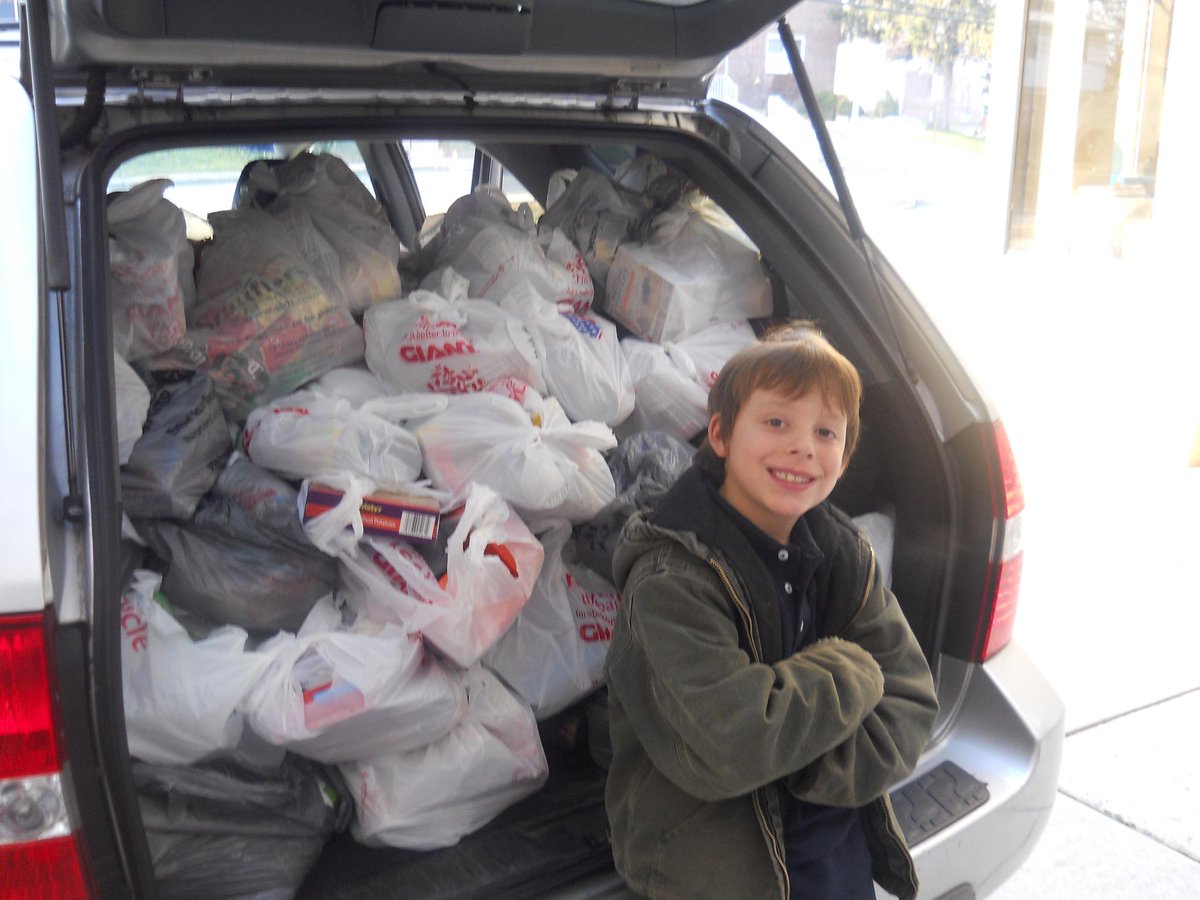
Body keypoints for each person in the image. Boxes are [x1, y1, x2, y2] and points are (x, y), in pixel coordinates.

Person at [604, 321, 939, 900]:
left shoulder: (840, 554)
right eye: (777, 421)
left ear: (845, 453)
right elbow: (735, 746)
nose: (803, 446)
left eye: (826, 431)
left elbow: (910, 705)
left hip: (837, 871)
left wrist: (793, 760)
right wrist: (849, 669)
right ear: (721, 435)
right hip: (716, 882)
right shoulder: (671, 578)